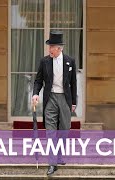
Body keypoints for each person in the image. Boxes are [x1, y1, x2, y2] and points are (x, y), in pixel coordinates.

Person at [32, 31, 77, 175]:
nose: (49, 49)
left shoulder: (70, 61)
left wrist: (74, 102)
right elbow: (38, 80)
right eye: (49, 47)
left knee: (64, 129)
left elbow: (73, 83)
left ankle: (59, 155)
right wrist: (35, 94)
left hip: (65, 98)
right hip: (50, 98)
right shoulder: (44, 61)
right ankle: (52, 163)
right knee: (50, 131)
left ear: (60, 48)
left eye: (52, 47)